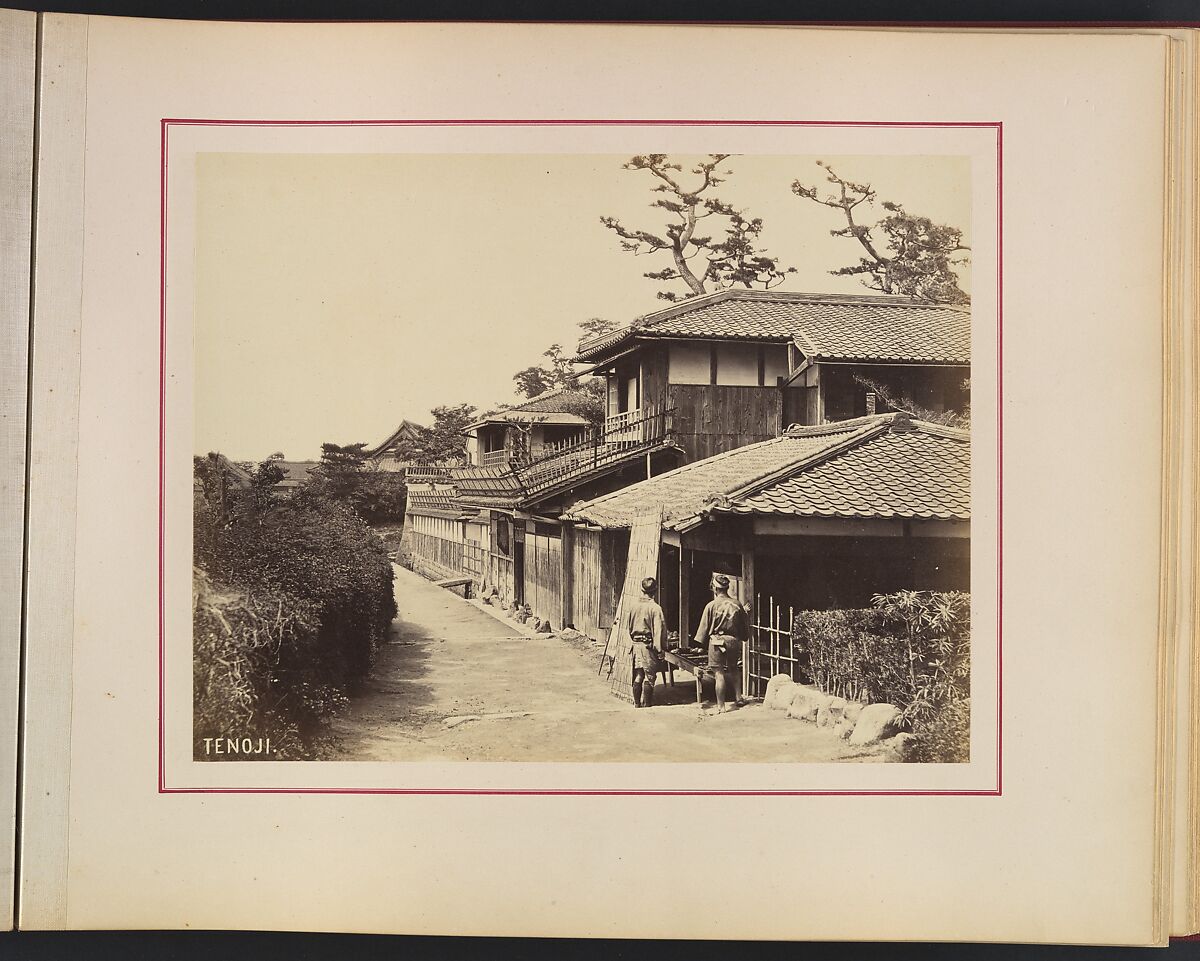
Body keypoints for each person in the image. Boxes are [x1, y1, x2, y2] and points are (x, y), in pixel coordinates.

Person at [694, 574, 748, 713]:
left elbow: (703, 630)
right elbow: (744, 627)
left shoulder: (711, 606)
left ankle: (721, 706)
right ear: (727, 587)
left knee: (719, 674)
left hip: (717, 641)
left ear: (714, 588)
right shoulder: (737, 604)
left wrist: (700, 643)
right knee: (734, 669)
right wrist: (744, 637)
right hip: (733, 640)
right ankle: (738, 697)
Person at [624, 576, 666, 708]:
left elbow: (629, 627)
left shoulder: (633, 606)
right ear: (655, 591)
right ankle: (647, 704)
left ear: (642, 590)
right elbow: (659, 630)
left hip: (636, 644)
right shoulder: (655, 608)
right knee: (650, 676)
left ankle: (637, 704)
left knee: (638, 674)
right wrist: (660, 650)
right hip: (648, 646)